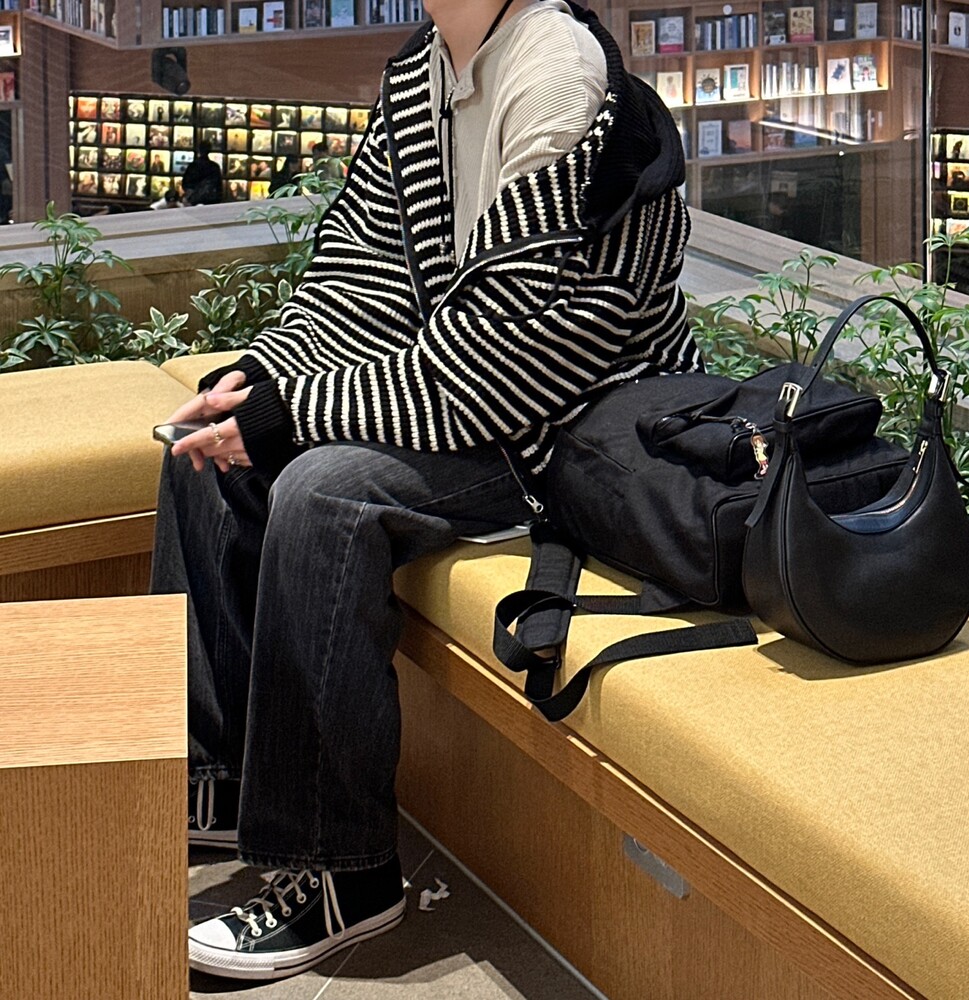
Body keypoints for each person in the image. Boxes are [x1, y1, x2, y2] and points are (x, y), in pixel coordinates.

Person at [153, 0, 695, 983]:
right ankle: (223, 785)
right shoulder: (425, 68)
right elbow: (353, 283)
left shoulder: (558, 76)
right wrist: (260, 380)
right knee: (204, 458)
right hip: (476, 394)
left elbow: (508, 364)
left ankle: (343, 871)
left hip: (569, 429)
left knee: (324, 490)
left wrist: (289, 416)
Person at [181, 140, 223, 205]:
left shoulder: (193, 166)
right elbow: (219, 187)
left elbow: (185, 184)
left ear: (199, 150)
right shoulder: (214, 166)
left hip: (194, 201)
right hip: (211, 201)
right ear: (210, 150)